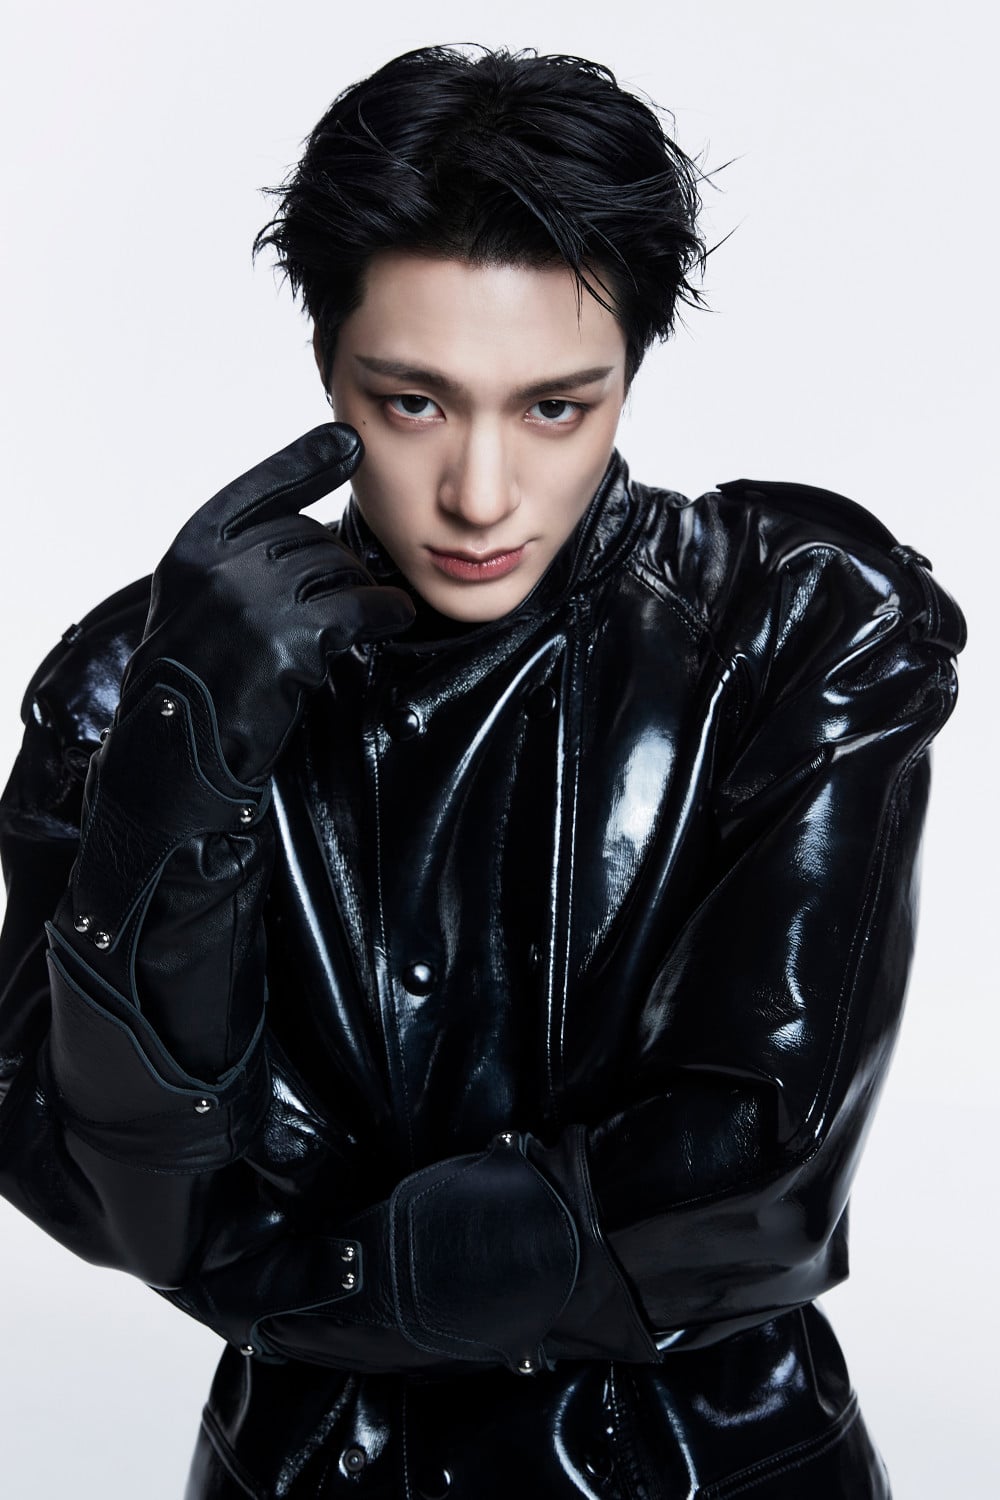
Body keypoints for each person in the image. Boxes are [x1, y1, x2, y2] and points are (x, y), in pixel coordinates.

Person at [0, 43, 966, 1499]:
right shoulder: (139, 684)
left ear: (631, 374)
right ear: (326, 369)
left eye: (555, 407)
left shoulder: (794, 631)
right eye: (413, 403)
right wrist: (180, 788)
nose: (481, 494)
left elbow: (752, 1182)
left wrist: (288, 1283)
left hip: (714, 1470)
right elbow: (113, 1189)